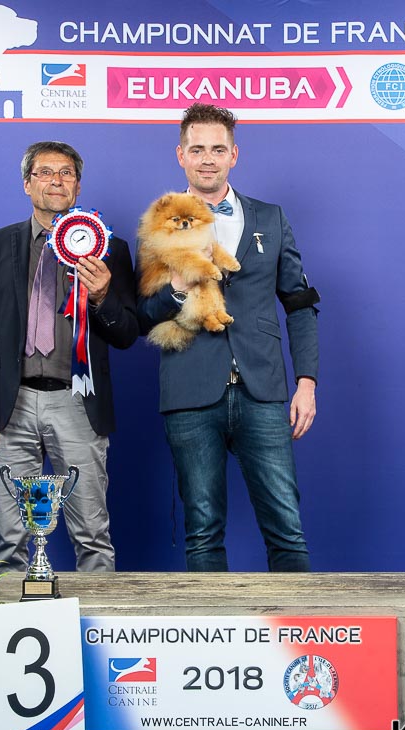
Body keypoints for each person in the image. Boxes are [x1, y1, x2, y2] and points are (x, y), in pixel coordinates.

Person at [137, 103, 320, 572]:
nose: (207, 159)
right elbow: (143, 315)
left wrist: (306, 382)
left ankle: (296, 620)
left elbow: (299, 303)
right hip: (190, 390)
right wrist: (179, 287)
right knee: (202, 532)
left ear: (234, 155)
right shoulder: (158, 221)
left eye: (218, 149)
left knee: (287, 529)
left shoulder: (272, 218)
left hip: (263, 391)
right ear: (181, 155)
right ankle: (209, 624)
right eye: (197, 149)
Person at [0, 140, 138, 572]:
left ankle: (96, 615)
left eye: (66, 173)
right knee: (9, 538)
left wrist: (102, 297)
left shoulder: (110, 249)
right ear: (27, 184)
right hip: (12, 404)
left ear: (78, 187)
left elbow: (127, 334)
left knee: (92, 535)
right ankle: (11, 615)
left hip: (77, 401)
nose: (56, 181)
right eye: (44, 172)